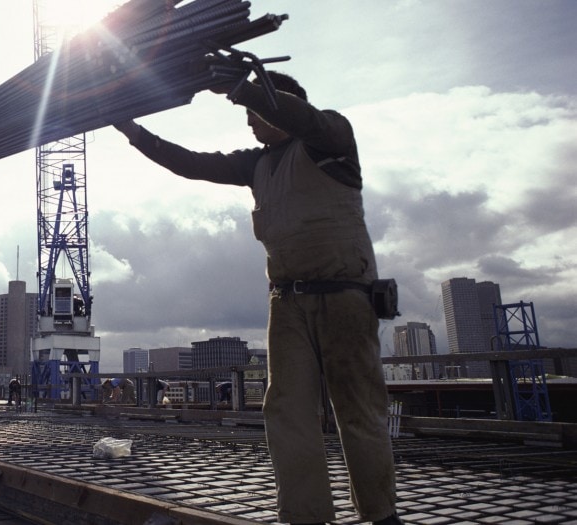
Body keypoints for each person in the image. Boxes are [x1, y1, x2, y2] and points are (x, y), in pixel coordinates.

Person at [114, 71, 402, 525]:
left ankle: (381, 515)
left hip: (344, 295)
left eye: (255, 113)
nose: (249, 122)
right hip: (286, 302)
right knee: (287, 412)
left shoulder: (330, 140)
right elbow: (190, 162)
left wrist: (242, 88)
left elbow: (304, 119)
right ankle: (305, 515)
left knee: (358, 409)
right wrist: (132, 130)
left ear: (279, 104)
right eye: (247, 114)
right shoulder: (258, 164)